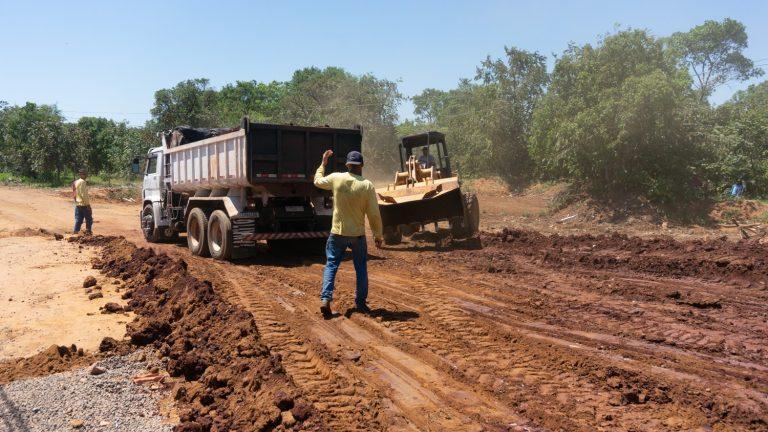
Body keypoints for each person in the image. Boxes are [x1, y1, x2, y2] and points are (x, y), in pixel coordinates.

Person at [313, 150, 383, 316]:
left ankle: (325, 299)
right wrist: (377, 235)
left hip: (337, 233)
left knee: (331, 265)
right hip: (357, 235)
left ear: (347, 165)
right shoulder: (367, 185)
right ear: (362, 166)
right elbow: (373, 214)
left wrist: (323, 163)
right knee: (361, 269)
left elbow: (317, 182)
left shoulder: (336, 178)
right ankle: (360, 303)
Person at [72, 168, 93, 235]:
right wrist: (87, 205)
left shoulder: (75, 182)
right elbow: (83, 195)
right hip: (84, 205)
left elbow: (74, 193)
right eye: (85, 174)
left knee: (78, 220)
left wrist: (76, 202)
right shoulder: (83, 182)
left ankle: (75, 233)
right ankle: (88, 233)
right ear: (81, 175)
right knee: (89, 220)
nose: (86, 175)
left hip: (78, 204)